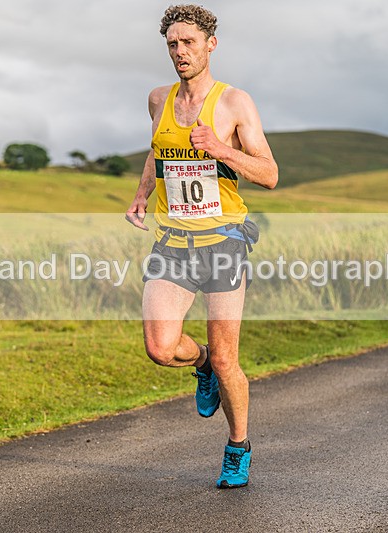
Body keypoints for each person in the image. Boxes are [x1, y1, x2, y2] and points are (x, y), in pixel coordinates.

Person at [125, 4, 278, 488]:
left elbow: (269, 174)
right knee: (160, 347)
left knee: (230, 359)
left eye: (188, 42)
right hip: (172, 242)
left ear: (211, 44)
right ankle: (202, 362)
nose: (180, 52)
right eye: (172, 44)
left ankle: (238, 446)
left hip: (223, 243)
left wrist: (221, 149)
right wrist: (142, 194)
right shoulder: (158, 99)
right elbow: (158, 150)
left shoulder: (234, 102)